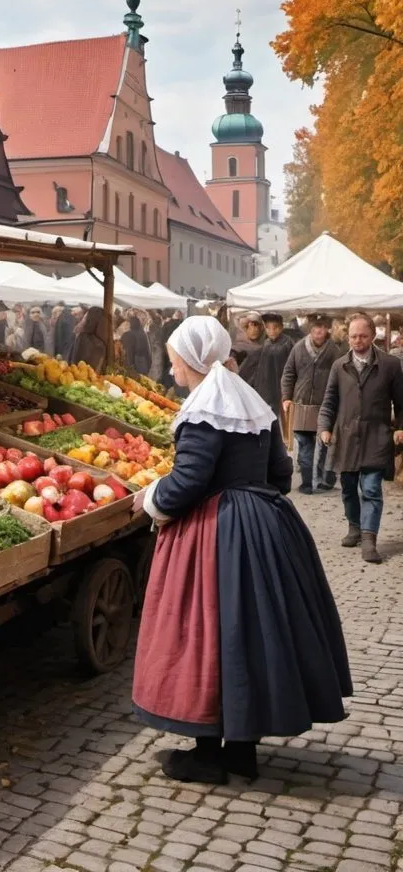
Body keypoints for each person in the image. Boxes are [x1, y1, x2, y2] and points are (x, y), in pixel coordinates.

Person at [132, 316, 351, 785]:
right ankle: (242, 752)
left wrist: (150, 499)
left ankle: (208, 754)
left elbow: (190, 479)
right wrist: (255, 504)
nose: (172, 372)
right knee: (248, 635)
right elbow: (280, 473)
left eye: (174, 362)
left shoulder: (203, 407)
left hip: (215, 531)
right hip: (263, 523)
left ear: (191, 360)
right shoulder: (252, 403)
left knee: (205, 634)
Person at [318, 313, 403, 564]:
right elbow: (329, 400)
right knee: (348, 488)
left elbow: (401, 402)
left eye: (363, 336)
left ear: (373, 336)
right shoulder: (339, 365)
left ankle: (369, 539)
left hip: (377, 436)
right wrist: (325, 427)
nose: (358, 340)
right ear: (348, 337)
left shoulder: (389, 365)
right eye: (353, 336)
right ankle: (355, 526)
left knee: (371, 489)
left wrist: (400, 426)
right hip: (345, 437)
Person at [281, 314, 341, 494]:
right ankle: (307, 482)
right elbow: (289, 373)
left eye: (322, 327)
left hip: (325, 405)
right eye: (315, 327)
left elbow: (339, 377)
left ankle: (325, 479)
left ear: (327, 329)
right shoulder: (299, 348)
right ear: (310, 329)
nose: (318, 331)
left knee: (324, 444)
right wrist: (286, 397)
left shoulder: (333, 351)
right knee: (305, 445)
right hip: (302, 405)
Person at [250, 313, 294, 416]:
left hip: (279, 388)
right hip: (265, 389)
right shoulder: (266, 343)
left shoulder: (287, 343)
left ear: (281, 328)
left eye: (275, 328)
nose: (272, 331)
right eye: (268, 328)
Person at [68, 306, 108, 372]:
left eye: (85, 317)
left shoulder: (83, 338)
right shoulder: (102, 343)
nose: (82, 320)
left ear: (90, 320)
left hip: (78, 377)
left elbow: (73, 363)